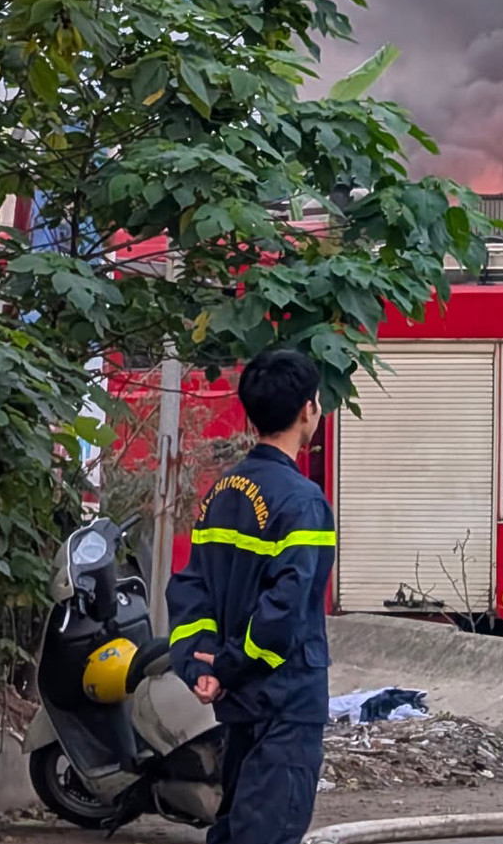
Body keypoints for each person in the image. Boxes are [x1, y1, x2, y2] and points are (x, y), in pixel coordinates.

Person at [166, 351, 336, 844]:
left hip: (239, 706)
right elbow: (284, 611)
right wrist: (230, 664)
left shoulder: (222, 492)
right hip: (286, 703)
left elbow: (191, 587)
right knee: (269, 831)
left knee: (236, 827)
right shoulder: (304, 502)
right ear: (308, 410)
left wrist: (203, 667)